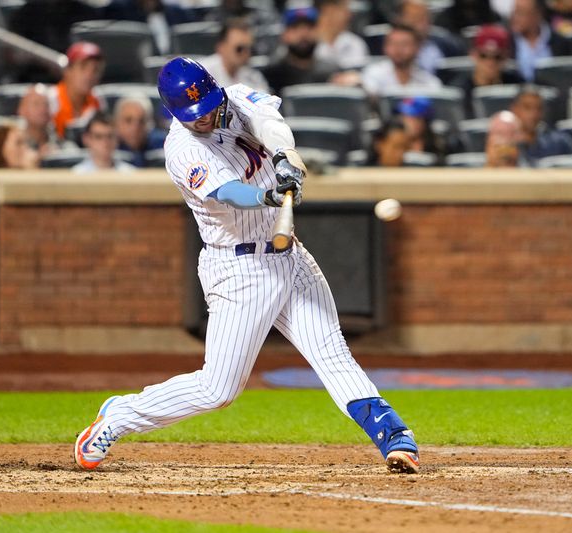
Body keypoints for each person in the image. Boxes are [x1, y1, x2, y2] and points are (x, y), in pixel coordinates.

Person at [74, 57, 420, 475]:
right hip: (239, 270)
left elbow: (270, 124)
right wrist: (268, 197)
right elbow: (229, 192)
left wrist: (285, 158)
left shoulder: (236, 98)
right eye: (192, 116)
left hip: (288, 254)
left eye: (206, 110)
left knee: (332, 354)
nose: (202, 121)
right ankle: (120, 416)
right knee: (217, 389)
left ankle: (392, 434)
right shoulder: (181, 148)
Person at [449, 25, 524, 118]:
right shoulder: (459, 90)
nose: (490, 62)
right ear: (473, 55)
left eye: (497, 57)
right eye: (483, 55)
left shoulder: (516, 86)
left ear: (506, 56)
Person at [261, 7, 340, 95]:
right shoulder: (271, 75)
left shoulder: (331, 73)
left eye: (309, 27)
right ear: (284, 34)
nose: (303, 34)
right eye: (295, 28)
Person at [361, 23, 442, 98]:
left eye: (404, 44)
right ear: (385, 47)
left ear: (418, 48)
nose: (398, 49)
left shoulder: (429, 82)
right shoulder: (373, 73)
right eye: (393, 44)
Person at [48, 42, 106, 141]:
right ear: (67, 71)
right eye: (83, 67)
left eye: (95, 70)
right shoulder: (50, 100)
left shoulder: (97, 101)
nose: (89, 75)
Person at [510, 85, 572, 163]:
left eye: (538, 108)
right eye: (527, 107)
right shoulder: (503, 143)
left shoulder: (561, 143)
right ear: (514, 109)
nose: (533, 114)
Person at [509, 0, 569, 82]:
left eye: (520, 13)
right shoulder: (507, 42)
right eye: (514, 12)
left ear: (537, 15)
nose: (514, 17)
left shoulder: (560, 42)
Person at [398, 0, 465, 74]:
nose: (420, 24)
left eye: (424, 18)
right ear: (401, 20)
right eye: (414, 18)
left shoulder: (447, 45)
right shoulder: (386, 45)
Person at [113, 94, 167, 167]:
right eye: (128, 120)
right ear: (116, 123)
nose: (135, 127)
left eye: (141, 121)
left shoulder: (162, 149)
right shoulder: (107, 150)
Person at [314, 0, 369, 70]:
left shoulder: (354, 43)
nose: (349, 15)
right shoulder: (308, 42)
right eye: (344, 9)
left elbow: (356, 73)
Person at [17, 84, 67, 157]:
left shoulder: (63, 145)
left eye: (46, 104)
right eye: (36, 104)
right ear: (22, 110)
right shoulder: (15, 146)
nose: (42, 109)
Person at [396, 97, 448, 162]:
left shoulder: (436, 146)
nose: (412, 124)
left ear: (426, 122)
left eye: (417, 119)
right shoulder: (394, 144)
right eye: (409, 118)